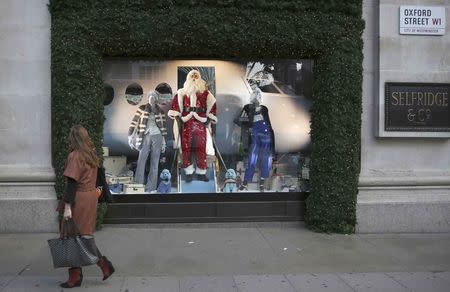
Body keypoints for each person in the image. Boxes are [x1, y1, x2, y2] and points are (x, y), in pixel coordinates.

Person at [59, 125, 115, 288]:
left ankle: (81, 274)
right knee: (81, 236)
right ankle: (97, 268)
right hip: (90, 197)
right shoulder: (90, 154)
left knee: (75, 237)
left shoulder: (75, 156)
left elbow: (71, 183)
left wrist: (67, 207)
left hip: (79, 199)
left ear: (73, 138)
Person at [167, 70, 217, 182]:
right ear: (188, 78)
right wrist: (178, 117)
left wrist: (209, 118)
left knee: (201, 148)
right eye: (192, 76)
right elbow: (176, 108)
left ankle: (201, 172)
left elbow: (212, 106)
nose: (194, 78)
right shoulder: (182, 93)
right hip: (186, 124)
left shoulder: (206, 93)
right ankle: (188, 172)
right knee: (186, 148)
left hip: (200, 123)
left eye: (196, 76)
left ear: (199, 78)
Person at [235, 83, 275, 191]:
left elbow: (269, 123)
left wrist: (273, 144)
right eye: (255, 94)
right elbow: (238, 121)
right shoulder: (247, 108)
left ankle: (261, 183)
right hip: (255, 134)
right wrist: (249, 125)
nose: (257, 96)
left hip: (266, 134)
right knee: (252, 158)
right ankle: (245, 182)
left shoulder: (264, 109)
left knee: (265, 159)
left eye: (259, 94)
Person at [128, 89, 168, 192]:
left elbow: (163, 128)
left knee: (155, 162)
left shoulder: (160, 111)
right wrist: (130, 136)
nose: (151, 99)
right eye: (150, 97)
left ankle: (151, 187)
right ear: (148, 98)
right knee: (141, 160)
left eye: (153, 97)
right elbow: (134, 122)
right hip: (145, 136)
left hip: (157, 136)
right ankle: (138, 186)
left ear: (156, 99)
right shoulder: (141, 109)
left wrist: (163, 142)